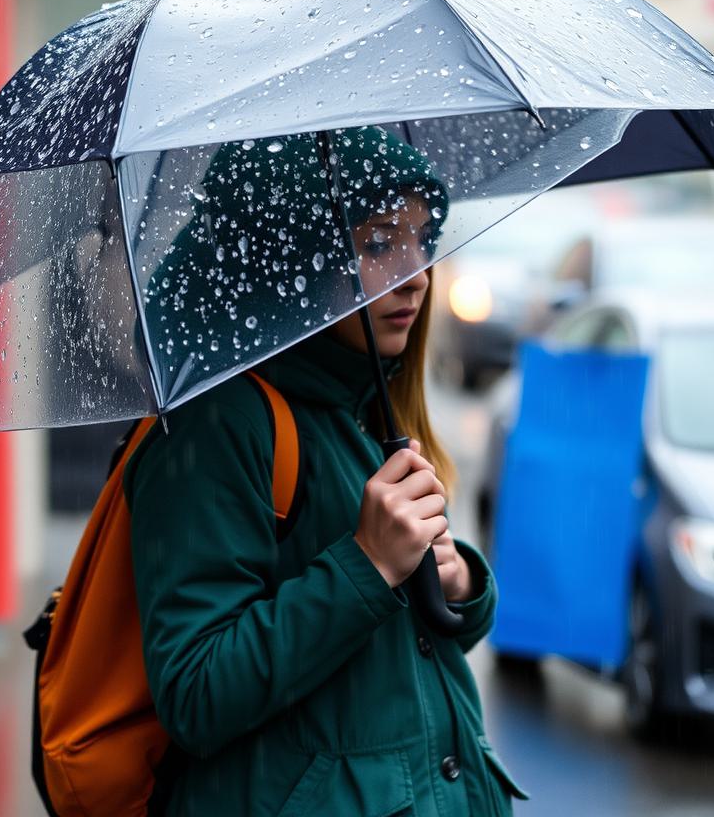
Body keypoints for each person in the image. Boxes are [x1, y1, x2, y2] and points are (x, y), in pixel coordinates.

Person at [128, 127, 519, 816]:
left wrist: (456, 584)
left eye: (422, 239)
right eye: (377, 243)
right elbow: (195, 692)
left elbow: (396, 658)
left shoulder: (362, 400)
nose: (418, 272)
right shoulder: (217, 427)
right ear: (289, 254)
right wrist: (366, 565)